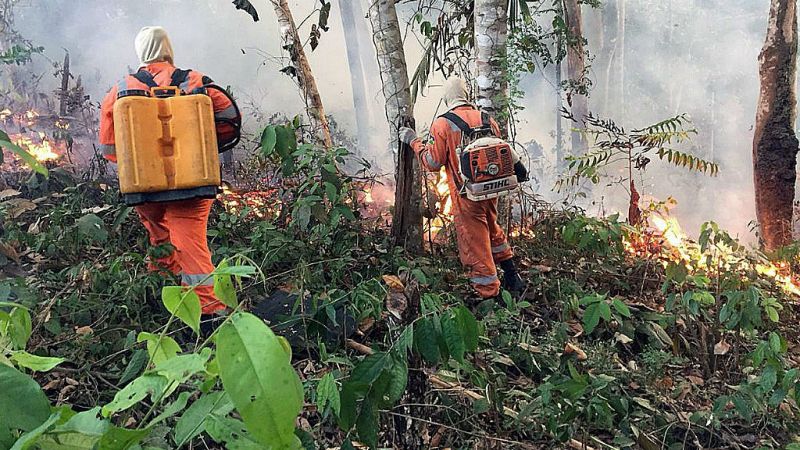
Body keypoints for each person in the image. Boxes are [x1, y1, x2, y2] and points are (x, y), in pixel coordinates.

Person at [99, 26, 236, 319]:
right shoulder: (197, 81)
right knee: (192, 248)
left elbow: (110, 149)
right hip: (194, 186)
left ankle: (163, 303)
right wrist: (206, 147)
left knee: (160, 240)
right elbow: (230, 119)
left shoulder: (120, 90)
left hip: (144, 190)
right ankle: (208, 314)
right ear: (168, 48)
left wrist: (144, 164)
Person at [399, 77, 526, 299]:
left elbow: (432, 162)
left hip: (467, 194)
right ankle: (512, 275)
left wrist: (413, 141)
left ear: (446, 98)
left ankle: (488, 294)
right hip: (492, 188)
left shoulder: (442, 124)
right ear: (466, 95)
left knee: (474, 242)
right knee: (492, 228)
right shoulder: (487, 119)